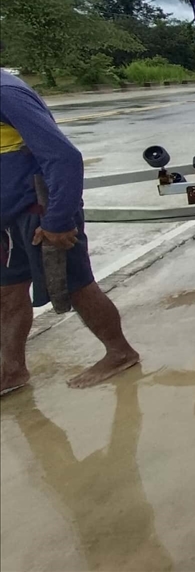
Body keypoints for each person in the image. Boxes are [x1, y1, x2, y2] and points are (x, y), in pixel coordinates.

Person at [0, 69, 139, 396]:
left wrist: (59, 221)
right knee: (6, 293)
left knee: (76, 286)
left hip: (40, 209)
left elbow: (63, 156)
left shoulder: (6, 93)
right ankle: (12, 369)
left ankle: (120, 352)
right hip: (8, 220)